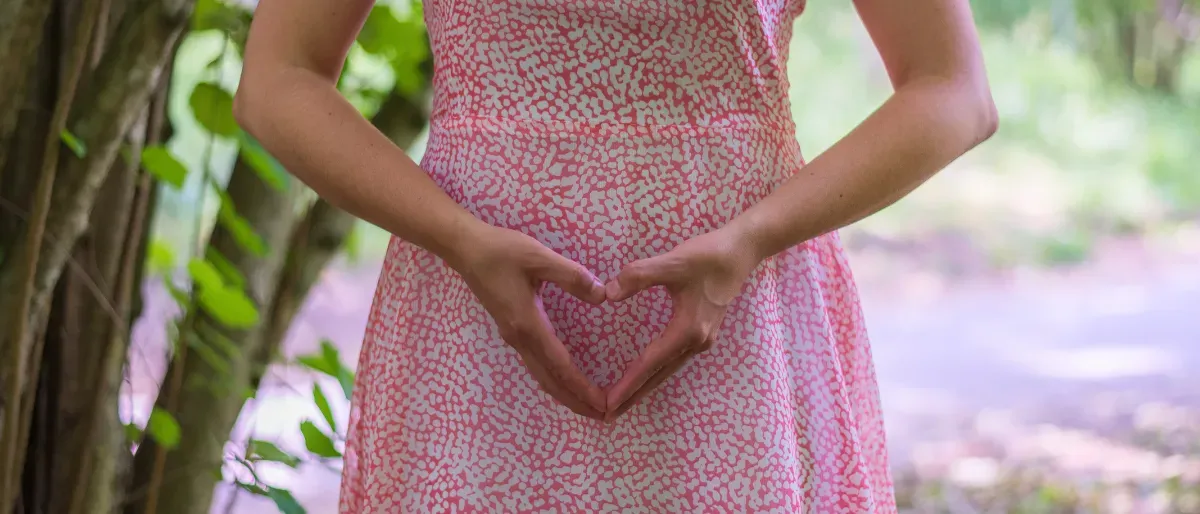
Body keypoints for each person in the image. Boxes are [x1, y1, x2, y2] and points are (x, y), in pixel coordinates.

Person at [235, 0, 996, 510]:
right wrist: (457, 237)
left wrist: (753, 237)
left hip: (740, 335)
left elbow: (953, 88)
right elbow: (278, 79)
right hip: (475, 339)